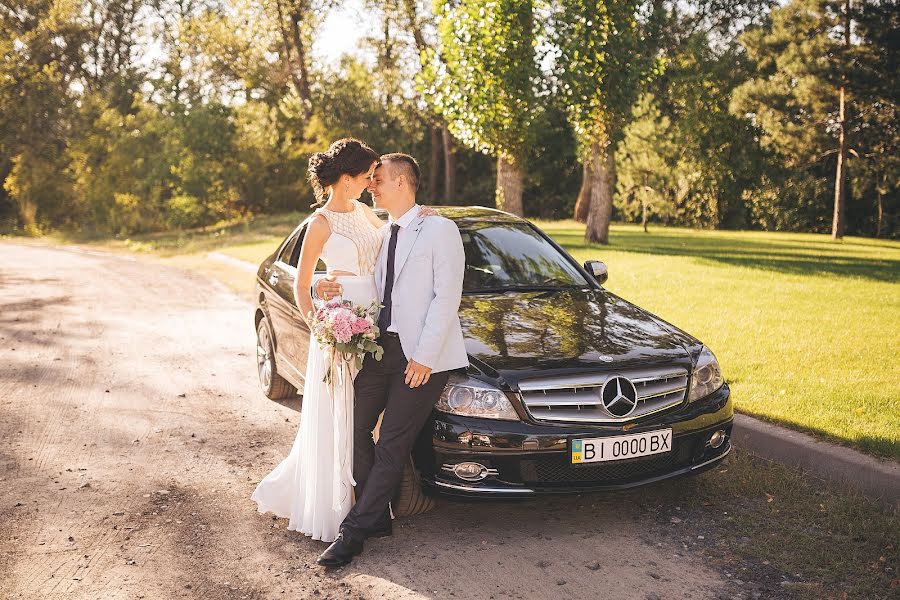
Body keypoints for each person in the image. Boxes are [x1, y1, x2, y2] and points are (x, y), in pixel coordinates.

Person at [315, 153, 468, 567]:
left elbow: (446, 298)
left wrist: (425, 358)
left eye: (378, 179)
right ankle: (378, 514)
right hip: (380, 348)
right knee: (354, 427)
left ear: (401, 181)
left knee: (391, 444)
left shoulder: (440, 229)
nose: (371, 186)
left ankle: (355, 532)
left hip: (422, 358)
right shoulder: (380, 232)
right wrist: (323, 286)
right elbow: (356, 273)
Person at [250, 138, 386, 542]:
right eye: (366, 177)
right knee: (340, 413)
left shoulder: (364, 211)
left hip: (374, 318)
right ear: (347, 179)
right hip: (340, 328)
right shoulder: (320, 224)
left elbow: (392, 237)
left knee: (367, 414)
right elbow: (304, 284)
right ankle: (337, 503)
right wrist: (322, 328)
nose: (370, 183)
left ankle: (371, 494)